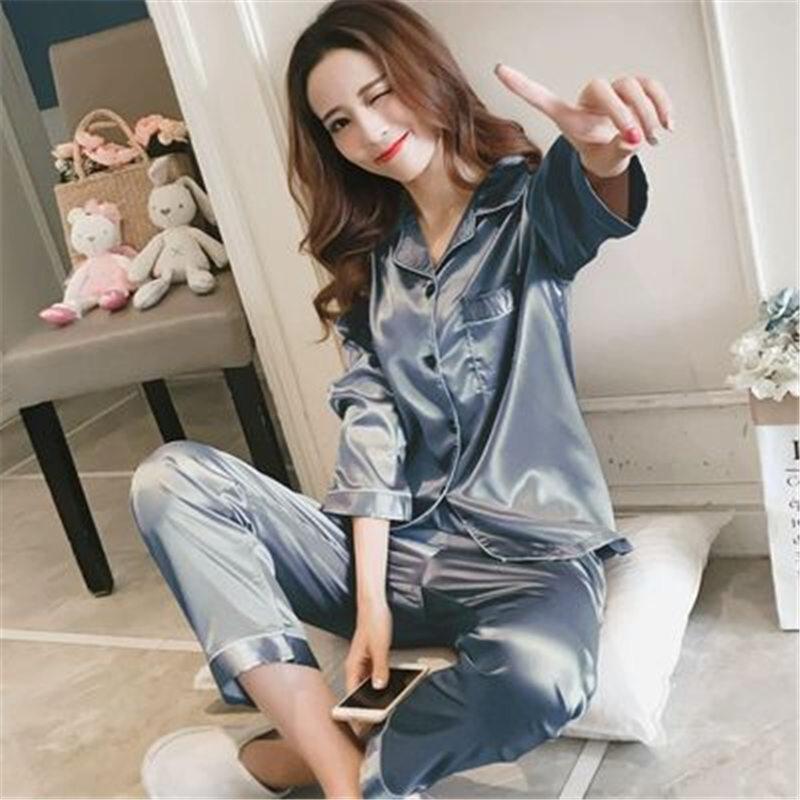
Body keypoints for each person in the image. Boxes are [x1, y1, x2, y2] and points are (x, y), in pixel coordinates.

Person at [129, 1, 674, 798]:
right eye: (340, 123)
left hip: (531, 557)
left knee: (544, 678)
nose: (370, 130)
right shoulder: (369, 262)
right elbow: (373, 431)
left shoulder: (526, 208)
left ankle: (289, 762)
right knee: (172, 480)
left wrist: (602, 154)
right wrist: (372, 605)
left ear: (426, 74)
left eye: (380, 93)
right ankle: (340, 778)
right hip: (396, 549)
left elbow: (589, 200)